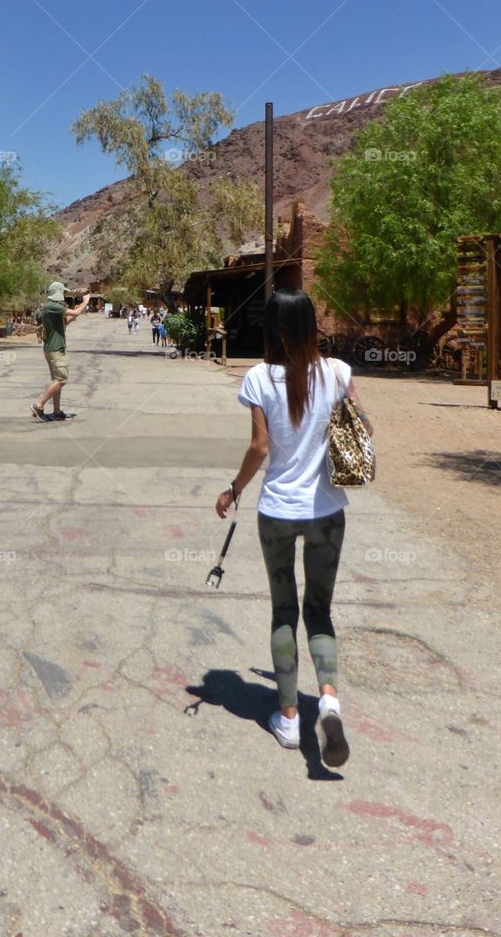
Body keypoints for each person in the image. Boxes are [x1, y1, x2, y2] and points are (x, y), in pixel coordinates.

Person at [214, 288, 374, 769]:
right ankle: (328, 701)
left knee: (284, 610)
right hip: (327, 512)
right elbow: (364, 427)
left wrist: (233, 489)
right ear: (311, 326)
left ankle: (288, 718)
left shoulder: (259, 378)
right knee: (319, 612)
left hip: (279, 513)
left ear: (276, 331)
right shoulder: (339, 372)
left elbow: (260, 448)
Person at [32, 281, 89, 421]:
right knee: (61, 380)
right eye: (62, 292)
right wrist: (85, 302)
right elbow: (75, 313)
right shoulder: (53, 306)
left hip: (51, 348)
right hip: (56, 349)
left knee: (56, 380)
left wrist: (78, 308)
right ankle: (39, 404)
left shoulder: (50, 308)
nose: (63, 295)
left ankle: (56, 412)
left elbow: (66, 321)